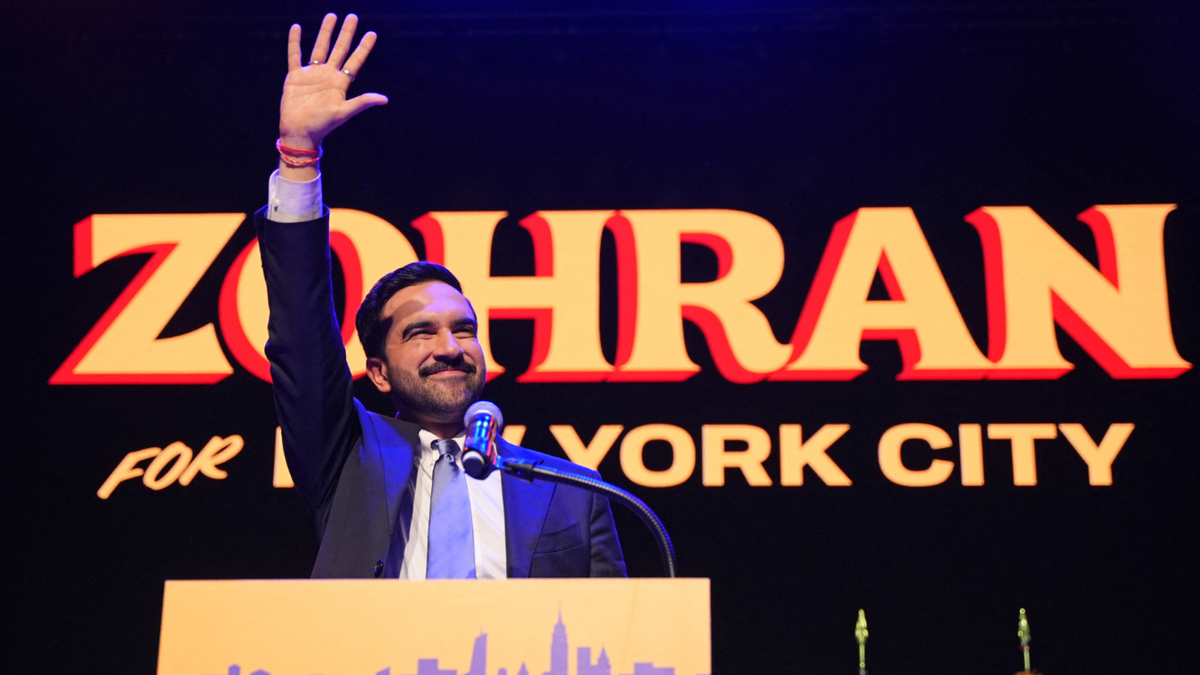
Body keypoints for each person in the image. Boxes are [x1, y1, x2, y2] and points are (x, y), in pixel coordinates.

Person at [258, 13, 626, 579]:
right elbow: (301, 337)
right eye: (421, 332)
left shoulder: (571, 489)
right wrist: (300, 156)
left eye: (463, 328)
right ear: (378, 374)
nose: (451, 346)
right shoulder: (349, 458)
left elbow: (610, 647)